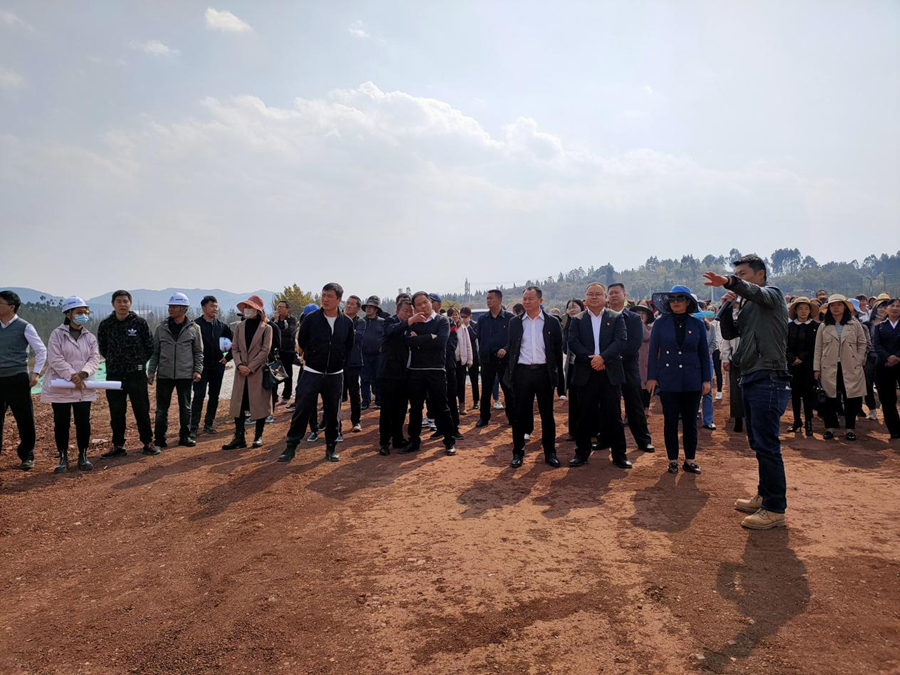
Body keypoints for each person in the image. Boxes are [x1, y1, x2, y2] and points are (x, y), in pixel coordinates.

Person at [705, 254, 791, 530]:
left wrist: (730, 282)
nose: (739, 279)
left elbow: (755, 292)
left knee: (767, 444)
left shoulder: (772, 295)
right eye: (737, 274)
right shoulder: (747, 305)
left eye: (743, 274)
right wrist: (726, 308)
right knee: (758, 442)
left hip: (769, 374)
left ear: (760, 274)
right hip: (752, 373)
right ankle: (765, 495)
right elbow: (731, 334)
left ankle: (774, 508)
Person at [280, 283, 354, 463]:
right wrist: (314, 356)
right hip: (312, 371)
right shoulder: (311, 319)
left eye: (330, 296)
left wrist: (337, 360)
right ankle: (291, 446)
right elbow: (302, 341)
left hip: (335, 374)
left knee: (332, 412)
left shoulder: (346, 322)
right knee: (302, 409)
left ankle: (331, 448)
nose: (325, 299)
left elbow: (348, 346)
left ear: (339, 299)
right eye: (323, 295)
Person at [646, 286, 711, 475]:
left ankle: (690, 460)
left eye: (680, 298)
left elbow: (704, 353)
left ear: (688, 302)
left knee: (690, 422)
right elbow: (653, 352)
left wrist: (706, 379)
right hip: (668, 379)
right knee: (671, 422)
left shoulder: (697, 324)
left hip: (692, 379)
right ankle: (672, 460)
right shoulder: (660, 323)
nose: (675, 302)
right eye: (672, 298)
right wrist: (652, 377)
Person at [567, 282, 631, 469]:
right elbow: (573, 342)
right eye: (590, 294)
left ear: (605, 298)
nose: (594, 297)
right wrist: (592, 360)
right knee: (584, 416)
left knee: (614, 415)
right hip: (585, 373)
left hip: (609, 372)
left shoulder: (616, 317)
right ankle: (581, 453)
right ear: (585, 299)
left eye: (598, 294)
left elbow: (621, 341)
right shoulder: (577, 320)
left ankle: (619, 455)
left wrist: (603, 358)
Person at [505, 286, 563, 468]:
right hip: (522, 373)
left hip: (544, 373)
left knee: (547, 415)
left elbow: (557, 351)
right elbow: (512, 349)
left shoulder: (552, 322)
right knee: (520, 415)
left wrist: (559, 379)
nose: (527, 302)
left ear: (540, 300)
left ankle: (550, 452)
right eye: (525, 299)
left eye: (531, 298)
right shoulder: (515, 323)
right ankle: (518, 452)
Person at [41, 296, 102, 472]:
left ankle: (83, 456)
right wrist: (72, 375)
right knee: (62, 423)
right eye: (79, 312)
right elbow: (55, 358)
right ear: (68, 314)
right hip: (62, 386)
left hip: (83, 385)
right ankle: (63, 457)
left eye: (85, 312)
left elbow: (94, 358)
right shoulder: (57, 335)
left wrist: (83, 374)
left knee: (83, 423)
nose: (83, 315)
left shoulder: (89, 337)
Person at [97, 290, 157, 457]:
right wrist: (116, 361)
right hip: (114, 375)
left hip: (136, 375)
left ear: (130, 304)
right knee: (116, 411)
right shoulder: (106, 325)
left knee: (142, 410)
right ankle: (118, 445)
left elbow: (149, 346)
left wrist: (137, 362)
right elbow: (103, 348)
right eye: (119, 301)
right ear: (113, 304)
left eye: (125, 301)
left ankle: (148, 443)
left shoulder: (140, 323)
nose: (122, 304)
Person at [400, 291, 457, 456]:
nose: (423, 306)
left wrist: (419, 339)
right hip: (416, 371)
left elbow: (441, 343)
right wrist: (430, 337)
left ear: (431, 302)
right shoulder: (413, 323)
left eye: (425, 302)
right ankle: (414, 441)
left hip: (436, 370)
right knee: (415, 409)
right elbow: (409, 342)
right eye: (418, 304)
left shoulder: (442, 321)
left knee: (442, 407)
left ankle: (449, 441)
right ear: (414, 307)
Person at [148, 292, 204, 449]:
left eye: (174, 306)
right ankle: (160, 439)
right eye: (170, 306)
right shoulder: (161, 328)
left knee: (185, 408)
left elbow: (198, 352)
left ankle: (185, 437)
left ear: (183, 309)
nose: (170, 309)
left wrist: (198, 370)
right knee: (161, 410)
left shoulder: (194, 329)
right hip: (164, 375)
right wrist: (151, 371)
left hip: (185, 375)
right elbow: (155, 352)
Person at [0, 290, 47, 470]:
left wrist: (36, 373)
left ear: (11, 307)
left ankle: (27, 455)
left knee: (24, 418)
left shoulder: (24, 326)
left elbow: (41, 351)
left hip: (17, 378)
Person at [607, 283, 654, 451]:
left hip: (628, 366)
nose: (613, 295)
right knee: (608, 406)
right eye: (611, 293)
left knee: (634, 405)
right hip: (607, 367)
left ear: (624, 295)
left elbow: (634, 343)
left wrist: (612, 356)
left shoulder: (634, 318)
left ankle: (643, 440)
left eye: (617, 292)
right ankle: (605, 438)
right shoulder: (603, 317)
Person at [814, 294, 868, 441]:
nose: (836, 308)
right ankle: (830, 427)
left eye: (839, 305)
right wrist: (816, 368)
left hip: (850, 366)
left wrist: (859, 359)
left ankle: (850, 428)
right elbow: (818, 348)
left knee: (851, 398)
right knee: (829, 398)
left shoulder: (854, 324)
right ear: (828, 308)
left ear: (844, 307)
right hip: (828, 366)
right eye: (833, 305)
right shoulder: (824, 325)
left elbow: (862, 342)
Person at [223, 296, 273, 449]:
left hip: (257, 372)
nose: (247, 310)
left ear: (258, 310)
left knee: (259, 404)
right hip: (241, 372)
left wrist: (250, 367)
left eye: (250, 307)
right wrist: (239, 365)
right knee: (238, 404)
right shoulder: (239, 327)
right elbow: (235, 348)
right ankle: (239, 437)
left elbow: (265, 350)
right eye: (246, 307)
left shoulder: (266, 328)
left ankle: (258, 436)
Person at [191, 295, 233, 438]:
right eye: (212, 306)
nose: (215, 309)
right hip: (201, 367)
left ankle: (209, 424)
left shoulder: (222, 326)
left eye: (216, 306)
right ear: (204, 308)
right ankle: (193, 427)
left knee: (214, 396)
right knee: (199, 396)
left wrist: (227, 358)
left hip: (217, 366)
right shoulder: (195, 325)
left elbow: (235, 343)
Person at [377, 299, 413, 455]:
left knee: (401, 409)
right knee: (387, 410)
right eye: (405, 311)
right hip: (388, 374)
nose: (408, 314)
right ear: (397, 311)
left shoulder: (412, 326)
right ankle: (384, 442)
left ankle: (398, 439)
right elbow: (391, 331)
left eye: (411, 312)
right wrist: (408, 322)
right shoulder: (389, 321)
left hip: (404, 374)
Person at [475, 289, 515, 428]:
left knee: (508, 389)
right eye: (487, 298)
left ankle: (512, 417)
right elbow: (480, 338)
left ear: (499, 300)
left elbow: (513, 339)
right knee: (486, 390)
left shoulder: (510, 318)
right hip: (487, 360)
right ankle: (484, 418)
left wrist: (506, 349)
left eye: (491, 298)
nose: (488, 300)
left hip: (504, 360)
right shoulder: (482, 319)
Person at [786, 297, 820, 436]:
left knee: (808, 395)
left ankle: (809, 422)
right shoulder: (789, 327)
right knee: (795, 394)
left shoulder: (816, 326)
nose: (803, 311)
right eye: (800, 309)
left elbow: (816, 346)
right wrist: (792, 358)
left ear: (810, 311)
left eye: (806, 309)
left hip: (809, 365)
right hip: (793, 365)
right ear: (795, 311)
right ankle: (796, 421)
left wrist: (802, 357)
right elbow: (784, 345)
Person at [872, 298, 900, 439]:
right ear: (887, 309)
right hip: (883, 365)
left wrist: (897, 357)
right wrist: (888, 357)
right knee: (887, 399)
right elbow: (876, 345)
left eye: (898, 306)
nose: (895, 308)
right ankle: (894, 429)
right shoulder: (879, 326)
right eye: (892, 305)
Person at [561, 298, 586, 439]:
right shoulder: (566, 326)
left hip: (585, 366)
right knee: (574, 400)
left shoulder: (586, 323)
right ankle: (573, 431)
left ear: (582, 308)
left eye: (574, 307)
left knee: (586, 399)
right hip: (572, 367)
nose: (571, 310)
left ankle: (590, 431)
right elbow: (564, 348)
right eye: (569, 308)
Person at [438, 307, 464, 440]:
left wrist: (434, 342)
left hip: (448, 366)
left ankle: (455, 428)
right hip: (434, 367)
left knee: (451, 397)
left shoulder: (448, 322)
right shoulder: (426, 323)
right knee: (436, 399)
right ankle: (440, 428)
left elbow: (451, 345)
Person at [343, 295, 365, 432]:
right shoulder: (339, 319)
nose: (348, 306)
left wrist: (344, 335)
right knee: (334, 392)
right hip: (338, 361)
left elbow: (357, 338)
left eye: (352, 304)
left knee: (354, 392)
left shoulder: (361, 322)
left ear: (358, 308)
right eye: (347, 303)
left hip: (353, 362)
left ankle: (356, 421)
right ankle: (327, 421)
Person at [360, 296, 385, 410]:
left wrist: (383, 346)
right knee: (364, 379)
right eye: (367, 307)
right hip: (364, 354)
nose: (368, 309)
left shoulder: (382, 322)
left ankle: (379, 400)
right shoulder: (361, 321)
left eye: (371, 307)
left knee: (378, 378)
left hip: (378, 355)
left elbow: (387, 336)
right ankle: (365, 401)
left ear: (376, 309)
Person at [273, 301, 298, 405]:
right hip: (277, 351)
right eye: (278, 307)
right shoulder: (274, 320)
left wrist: (278, 331)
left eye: (281, 307)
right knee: (275, 373)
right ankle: (274, 396)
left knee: (287, 373)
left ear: (287, 309)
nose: (279, 309)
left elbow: (290, 332)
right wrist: (276, 322)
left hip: (288, 350)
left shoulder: (292, 320)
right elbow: (271, 332)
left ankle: (286, 395)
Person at [631, 305, 654, 409]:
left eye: (643, 313)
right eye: (638, 314)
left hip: (647, 361)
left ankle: (645, 408)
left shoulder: (651, 328)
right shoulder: (631, 328)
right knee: (635, 386)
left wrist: (641, 323)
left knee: (646, 385)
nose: (640, 316)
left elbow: (646, 336)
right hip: (635, 361)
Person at [453, 306, 474, 416]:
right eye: (452, 315)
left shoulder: (463, 328)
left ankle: (462, 406)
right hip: (450, 361)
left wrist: (469, 359)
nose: (455, 317)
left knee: (461, 383)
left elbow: (468, 344)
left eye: (456, 315)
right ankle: (452, 405)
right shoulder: (446, 327)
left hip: (461, 360)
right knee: (452, 384)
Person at [459, 307, 480, 410]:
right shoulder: (458, 325)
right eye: (461, 316)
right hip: (462, 356)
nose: (463, 319)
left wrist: (468, 326)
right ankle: (461, 402)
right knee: (461, 380)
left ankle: (476, 401)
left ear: (470, 316)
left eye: (465, 317)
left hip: (473, 355)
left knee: (474, 379)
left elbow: (474, 336)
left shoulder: (474, 325)